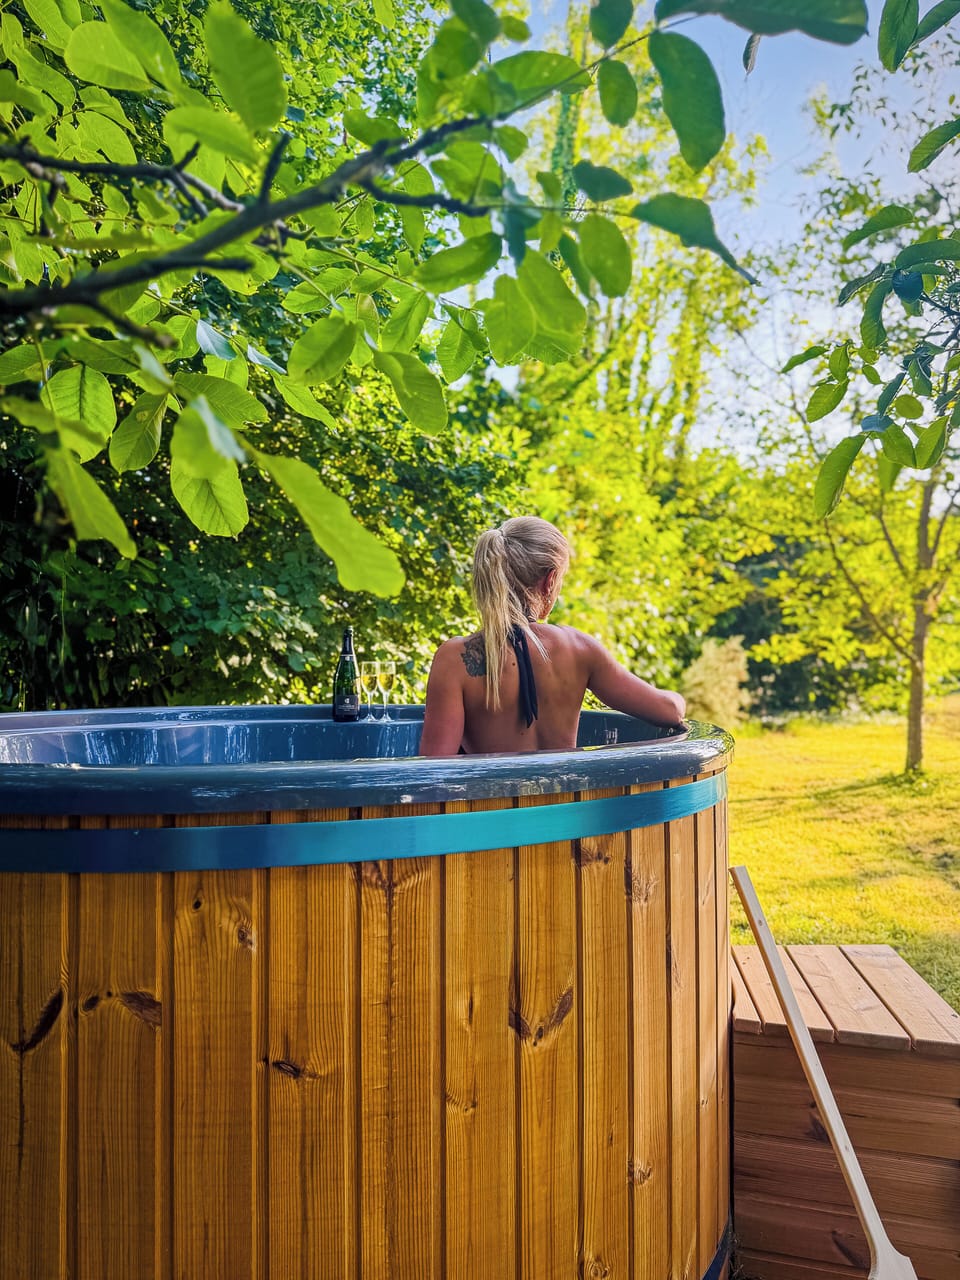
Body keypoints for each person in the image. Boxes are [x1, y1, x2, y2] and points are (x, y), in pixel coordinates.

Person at [419, 516, 686, 757]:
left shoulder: (455, 659)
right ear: (550, 580)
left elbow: (433, 772)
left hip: (492, 812)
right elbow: (669, 711)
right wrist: (679, 698)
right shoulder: (579, 648)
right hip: (567, 807)